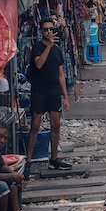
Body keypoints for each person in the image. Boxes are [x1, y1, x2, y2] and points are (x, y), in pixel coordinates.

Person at [23, 20, 72, 179]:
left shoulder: (57, 49)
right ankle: (29, 161)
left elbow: (60, 74)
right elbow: (38, 64)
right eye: (46, 30)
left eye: (51, 29)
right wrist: (48, 46)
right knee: (35, 125)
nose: (49, 32)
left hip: (53, 91)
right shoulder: (38, 47)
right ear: (41, 32)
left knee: (56, 124)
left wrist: (65, 97)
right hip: (39, 91)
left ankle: (54, 158)